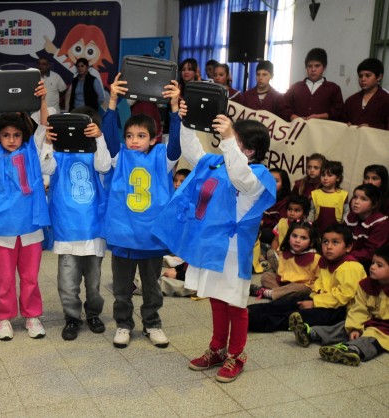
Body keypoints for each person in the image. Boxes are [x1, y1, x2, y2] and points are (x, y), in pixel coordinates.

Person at [153, 101, 276, 383]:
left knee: (235, 303)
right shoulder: (218, 163)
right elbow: (194, 152)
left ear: (250, 150)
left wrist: (230, 140)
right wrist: (184, 121)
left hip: (234, 252)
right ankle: (217, 348)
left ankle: (237, 354)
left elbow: (240, 176)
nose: (226, 143)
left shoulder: (257, 176)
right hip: (210, 247)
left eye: (235, 141)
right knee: (217, 300)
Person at [102, 74, 182, 350]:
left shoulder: (163, 157)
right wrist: (113, 101)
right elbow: (109, 133)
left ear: (153, 138)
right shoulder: (119, 155)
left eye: (141, 136)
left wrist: (174, 108)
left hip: (151, 236)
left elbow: (176, 144)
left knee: (152, 286)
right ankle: (124, 324)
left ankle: (152, 324)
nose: (134, 141)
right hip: (124, 234)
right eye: (130, 136)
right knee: (122, 287)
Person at [0, 76, 50, 341]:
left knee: (30, 277)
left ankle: (31, 316)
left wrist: (42, 99)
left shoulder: (32, 151)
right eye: (6, 135)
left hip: (30, 227)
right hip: (3, 229)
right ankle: (4, 318)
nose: (12, 140)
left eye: (16, 135)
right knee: (5, 278)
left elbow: (44, 127)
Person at [42, 106, 111, 341]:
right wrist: (48, 143)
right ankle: (72, 317)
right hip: (67, 227)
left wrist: (99, 138)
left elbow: (104, 166)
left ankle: (93, 314)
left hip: (92, 228)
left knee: (93, 283)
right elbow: (44, 167)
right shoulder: (59, 153)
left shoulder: (95, 152)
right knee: (67, 284)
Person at [248, 224, 366, 333]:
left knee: (292, 317)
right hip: (319, 298)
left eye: (335, 242)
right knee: (283, 304)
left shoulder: (351, 267)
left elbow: (343, 297)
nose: (329, 247)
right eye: (325, 242)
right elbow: (319, 284)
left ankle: (252, 322)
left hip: (337, 310)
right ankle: (246, 312)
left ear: (348, 247)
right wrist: (311, 298)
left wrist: (314, 303)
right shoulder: (326, 262)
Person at [299, 246, 389, 366]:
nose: (372, 267)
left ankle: (351, 350)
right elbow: (359, 309)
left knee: (372, 337)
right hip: (370, 320)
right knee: (345, 325)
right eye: (373, 263)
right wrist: (354, 327)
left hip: (385, 329)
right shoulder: (366, 285)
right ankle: (312, 333)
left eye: (379, 265)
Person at [251, 221, 320, 301]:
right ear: (288, 238)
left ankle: (268, 293)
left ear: (311, 242)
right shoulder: (285, 253)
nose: (297, 240)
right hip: (285, 283)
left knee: (299, 288)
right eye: (294, 236)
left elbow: (318, 280)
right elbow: (282, 272)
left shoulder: (315, 257)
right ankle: (283, 295)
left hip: (303, 286)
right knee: (266, 276)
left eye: (303, 238)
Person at [282, 48, 344, 122]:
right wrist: (293, 117)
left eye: (317, 66)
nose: (313, 69)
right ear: (306, 67)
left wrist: (321, 116)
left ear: (324, 67)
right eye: (310, 66)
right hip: (298, 130)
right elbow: (283, 107)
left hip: (322, 131)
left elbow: (339, 110)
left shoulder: (333, 88)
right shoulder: (295, 88)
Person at [345, 184, 389, 270]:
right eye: (355, 197)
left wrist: (345, 256)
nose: (356, 202)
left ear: (374, 204)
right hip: (348, 260)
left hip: (369, 267)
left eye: (363, 199)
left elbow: (371, 252)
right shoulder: (351, 216)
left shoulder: (381, 223)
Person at [343, 58, 389, 130]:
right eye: (360, 76)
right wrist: (346, 125)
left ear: (379, 77)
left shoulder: (386, 99)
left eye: (368, 75)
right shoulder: (350, 101)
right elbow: (342, 121)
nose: (363, 79)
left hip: (376, 140)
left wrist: (372, 128)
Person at [308, 160, 349, 233]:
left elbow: (346, 213)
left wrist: (344, 229)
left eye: (329, 175)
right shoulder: (315, 194)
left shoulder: (343, 195)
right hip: (317, 232)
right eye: (323, 175)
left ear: (338, 178)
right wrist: (308, 226)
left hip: (336, 232)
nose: (325, 178)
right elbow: (312, 212)